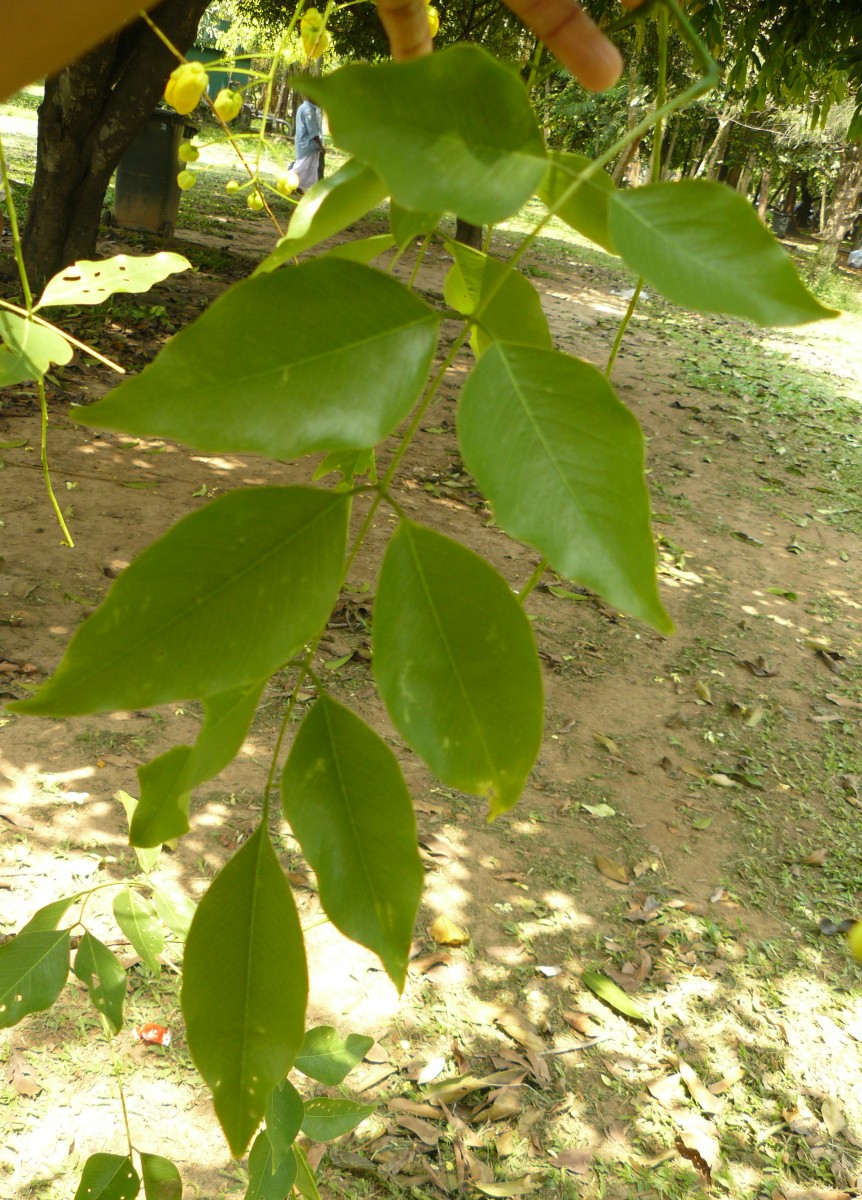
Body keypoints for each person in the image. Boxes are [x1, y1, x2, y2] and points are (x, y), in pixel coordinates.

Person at [292, 95, 325, 193]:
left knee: (309, 170)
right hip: (308, 144)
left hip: (308, 145)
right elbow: (313, 131)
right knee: (301, 168)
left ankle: (298, 186)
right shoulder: (308, 110)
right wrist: (320, 145)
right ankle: (285, 183)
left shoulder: (309, 108)